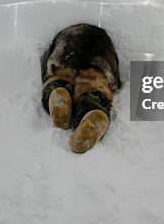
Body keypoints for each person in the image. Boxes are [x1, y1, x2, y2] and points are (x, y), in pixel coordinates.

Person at [41, 23, 121, 153]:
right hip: (100, 51)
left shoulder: (63, 34)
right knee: (93, 87)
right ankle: (92, 110)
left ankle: (56, 93)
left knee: (59, 76)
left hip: (67, 45)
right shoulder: (104, 38)